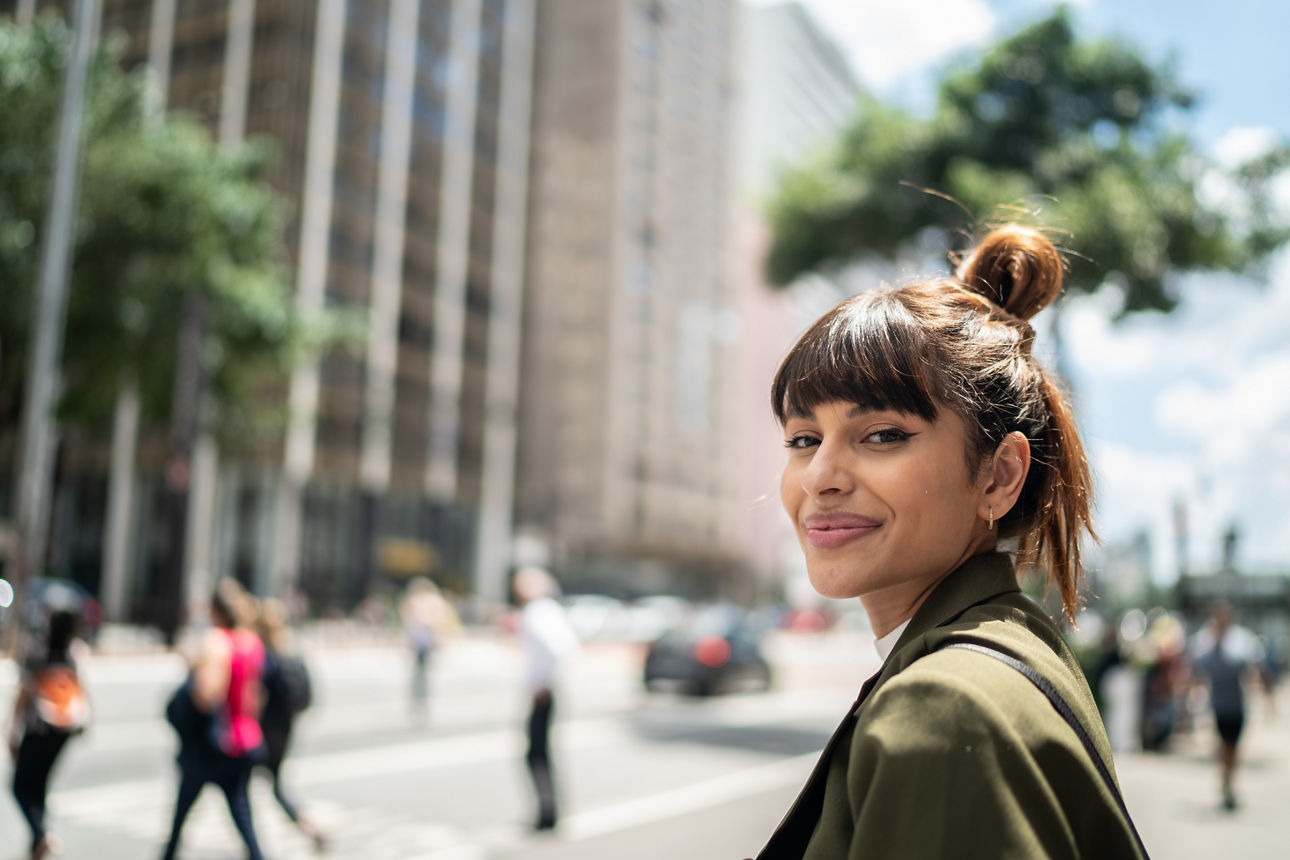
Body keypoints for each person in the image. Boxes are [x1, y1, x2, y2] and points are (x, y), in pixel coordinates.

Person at [753, 225, 1147, 858]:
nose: (821, 477)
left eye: (882, 434)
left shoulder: (944, 707)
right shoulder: (1011, 639)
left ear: (999, 475)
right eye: (803, 440)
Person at [161, 578, 267, 860]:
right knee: (242, 816)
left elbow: (207, 695)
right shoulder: (250, 643)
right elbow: (256, 697)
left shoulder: (214, 641)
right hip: (244, 738)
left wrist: (194, 669)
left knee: (181, 815)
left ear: (214, 610)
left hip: (213, 743)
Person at [7, 608, 89, 860]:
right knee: (40, 784)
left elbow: (23, 695)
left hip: (39, 728)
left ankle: (41, 834)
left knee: (20, 785)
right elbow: (81, 692)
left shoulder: (37, 655)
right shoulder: (71, 656)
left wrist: (11, 731)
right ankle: (37, 845)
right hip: (63, 730)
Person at [257, 596, 328, 851]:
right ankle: (308, 826)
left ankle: (252, 845)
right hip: (285, 729)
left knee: (240, 784)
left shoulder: (265, 654)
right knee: (275, 787)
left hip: (263, 730)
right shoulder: (292, 649)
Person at [512, 566, 578, 831]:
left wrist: (542, 684)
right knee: (540, 751)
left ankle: (547, 812)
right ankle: (550, 809)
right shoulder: (549, 610)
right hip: (548, 689)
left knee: (536, 753)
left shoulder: (538, 612)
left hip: (544, 692)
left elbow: (556, 648)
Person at [1190, 600, 1271, 811]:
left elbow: (1256, 668)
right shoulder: (1206, 640)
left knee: (1233, 747)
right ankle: (1226, 781)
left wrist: (1267, 696)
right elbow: (1197, 670)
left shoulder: (1241, 640)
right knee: (1225, 745)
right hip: (1219, 706)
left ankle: (1228, 779)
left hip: (1237, 705)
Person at [399, 576, 459, 715]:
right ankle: (420, 700)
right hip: (421, 643)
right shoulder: (423, 603)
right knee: (420, 674)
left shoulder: (427, 603)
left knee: (421, 674)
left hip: (424, 643)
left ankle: (421, 700)